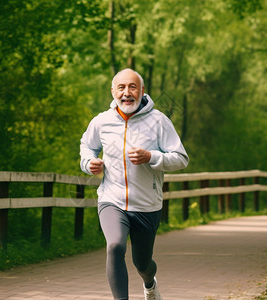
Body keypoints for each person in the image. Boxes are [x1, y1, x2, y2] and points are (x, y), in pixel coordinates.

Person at [80, 68, 189, 300]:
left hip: (147, 206)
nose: (127, 93)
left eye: (132, 87)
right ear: (113, 91)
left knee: (142, 263)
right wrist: (89, 163)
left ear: (142, 91)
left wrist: (152, 157)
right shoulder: (102, 121)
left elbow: (181, 158)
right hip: (112, 200)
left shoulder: (159, 121)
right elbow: (87, 147)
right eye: (121, 87)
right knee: (115, 246)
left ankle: (149, 283)